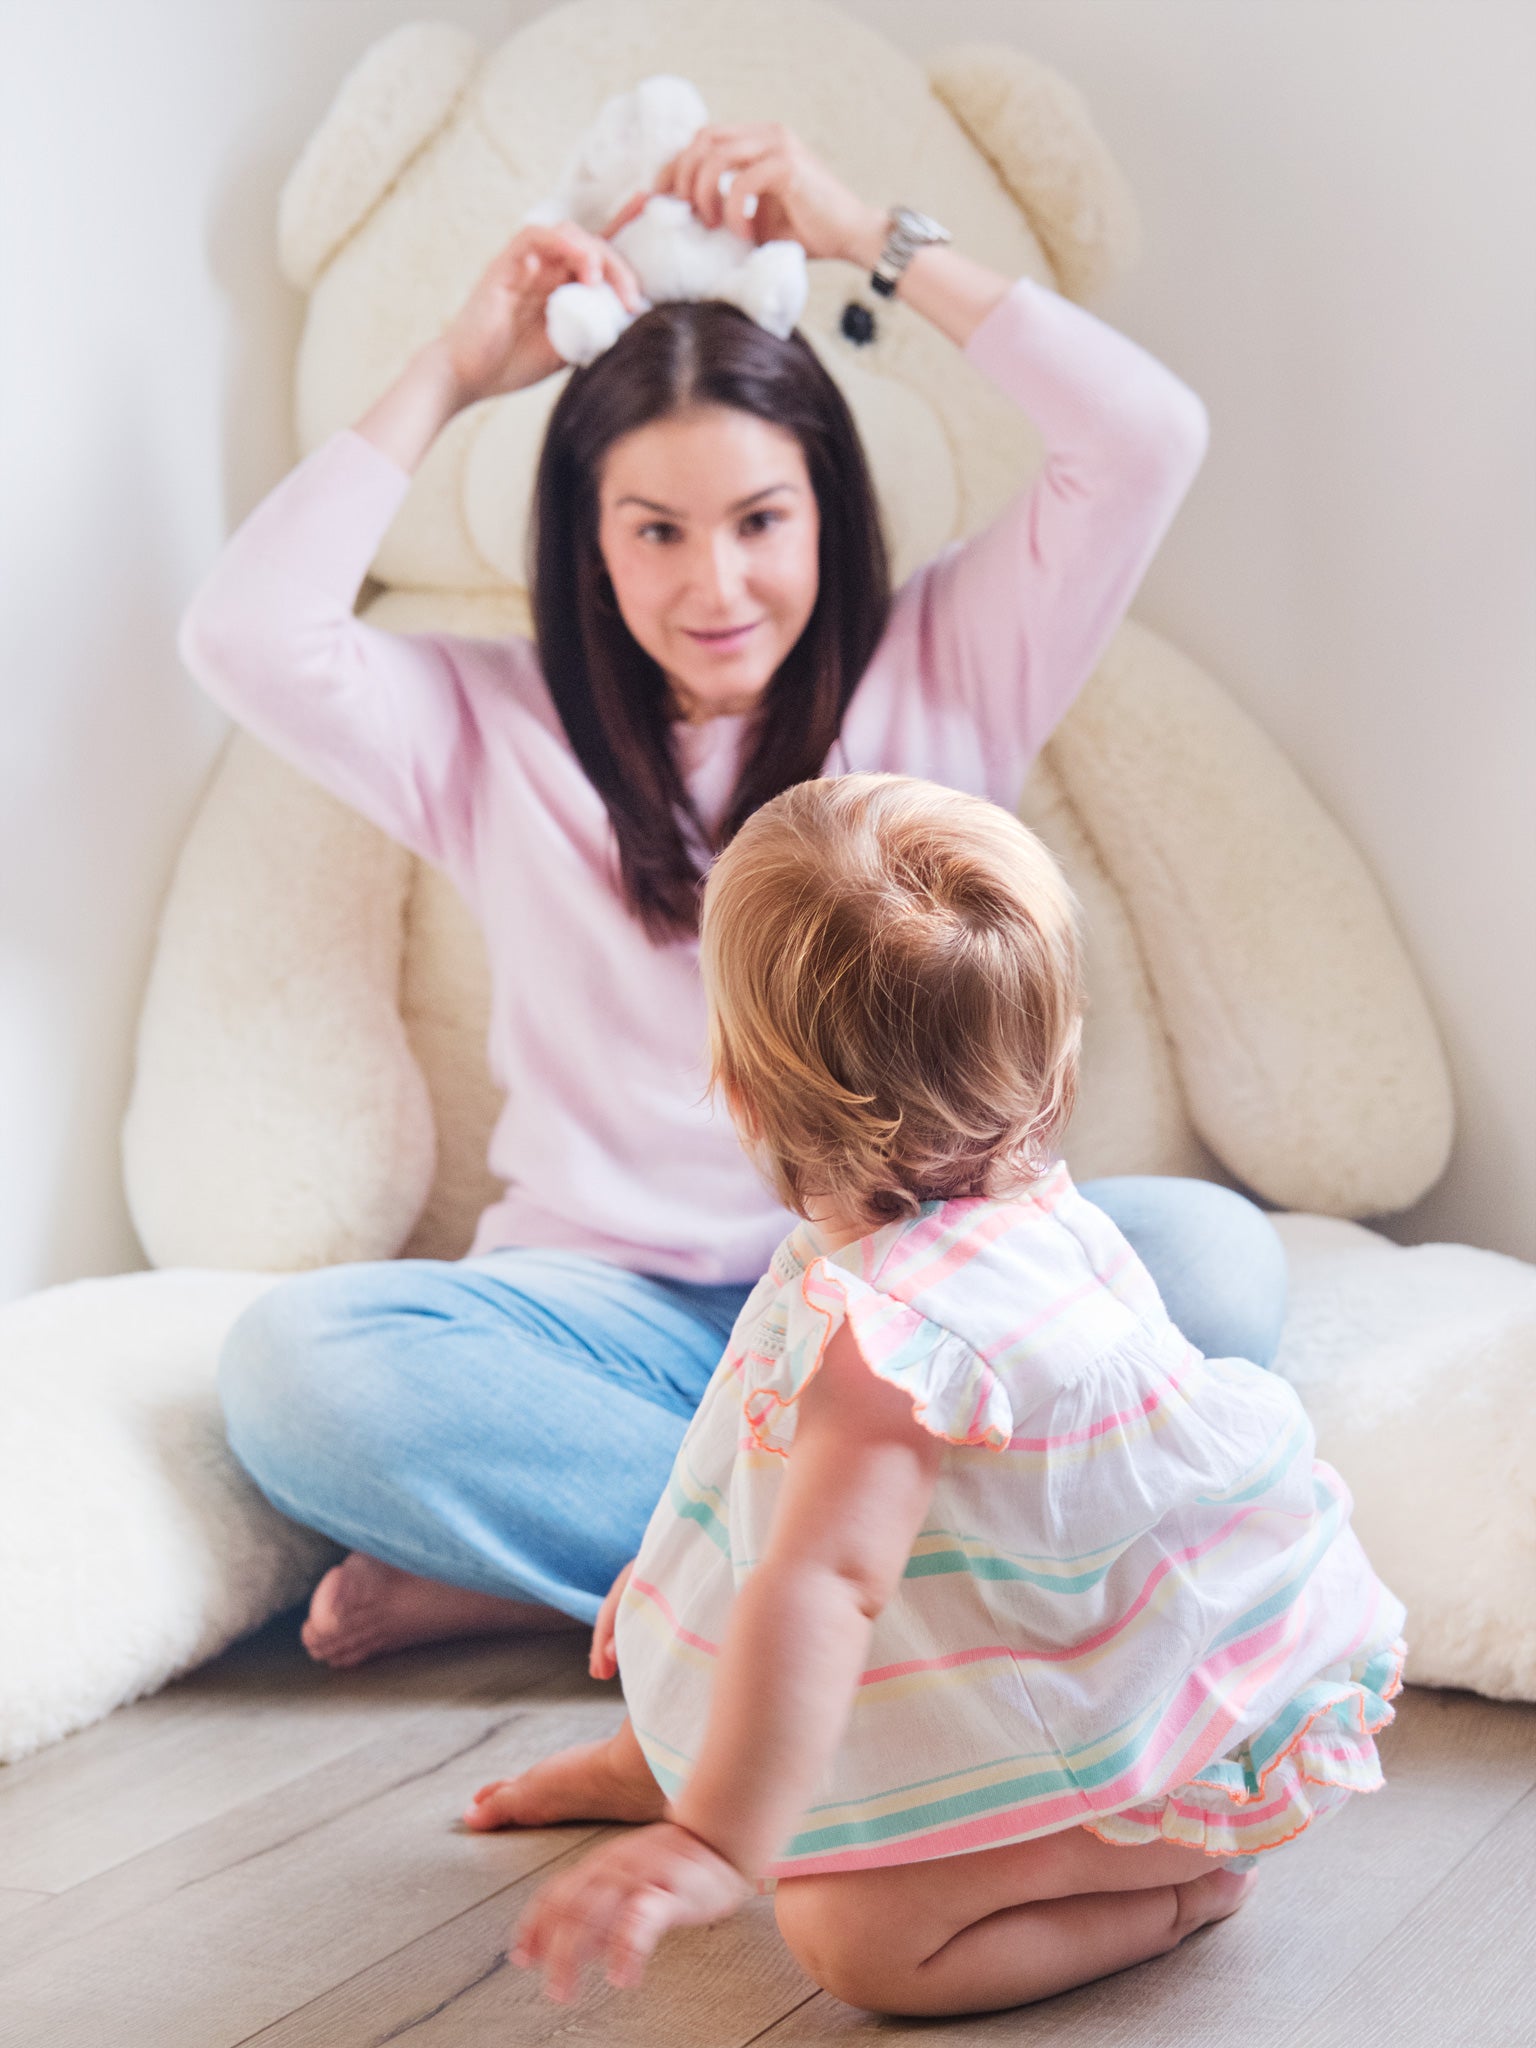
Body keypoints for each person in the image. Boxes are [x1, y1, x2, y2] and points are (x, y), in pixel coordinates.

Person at [179, 122, 1287, 1670]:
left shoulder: (951, 663)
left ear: (827, 510)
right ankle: (903, 1588)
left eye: (761, 521)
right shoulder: (497, 729)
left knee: (1218, 1263)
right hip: (610, 1323)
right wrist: (451, 364)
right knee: (298, 1372)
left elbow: (1148, 435)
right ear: (589, 544)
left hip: (915, 1290)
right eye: (656, 531)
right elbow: (244, 632)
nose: (717, 588)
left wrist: (866, 236)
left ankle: (637, 1581)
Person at [471, 774, 1406, 2017]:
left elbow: (829, 1582)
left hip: (1143, 1738)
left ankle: (1181, 1888)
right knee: (698, 1631)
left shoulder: (898, 1339)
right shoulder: (996, 1203)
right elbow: (751, 1464)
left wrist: (720, 1849)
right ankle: (669, 1764)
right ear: (1054, 1070)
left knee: (851, 1932)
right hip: (1010, 1624)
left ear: (741, 1097)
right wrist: (671, 1597)